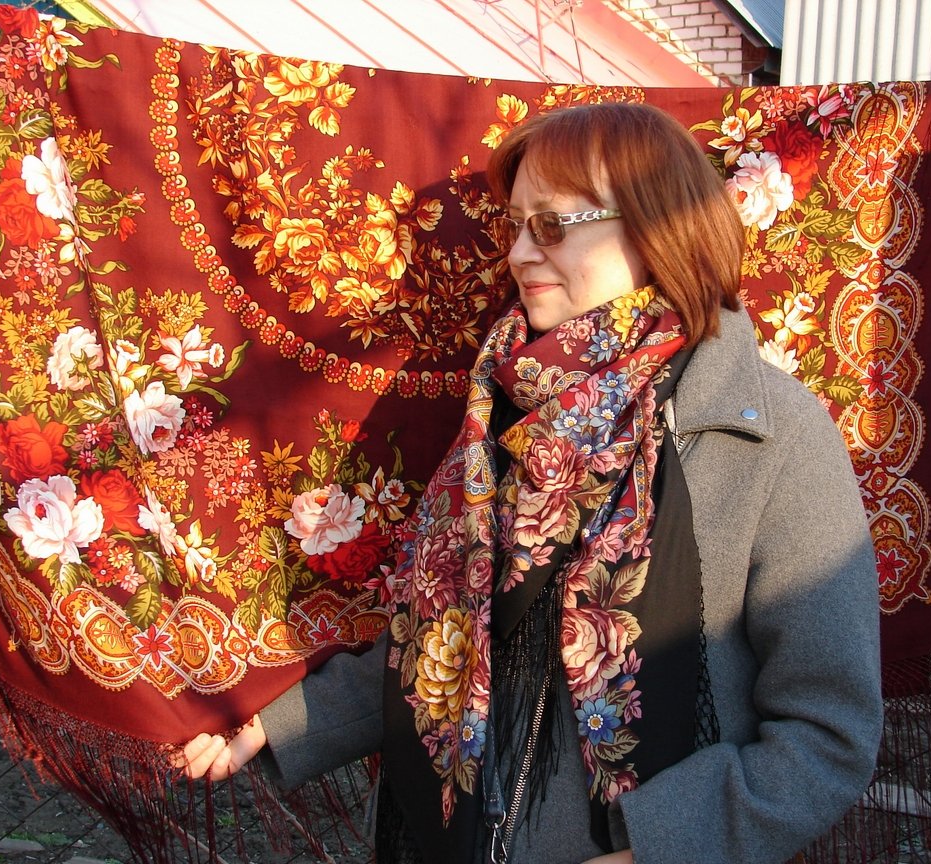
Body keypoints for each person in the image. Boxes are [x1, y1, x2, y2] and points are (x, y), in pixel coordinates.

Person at [180, 101, 883, 864]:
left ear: (657, 227)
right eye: (515, 225)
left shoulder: (766, 434)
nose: (518, 253)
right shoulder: (505, 407)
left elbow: (828, 733)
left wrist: (655, 850)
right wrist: (272, 727)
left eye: (550, 225)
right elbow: (442, 638)